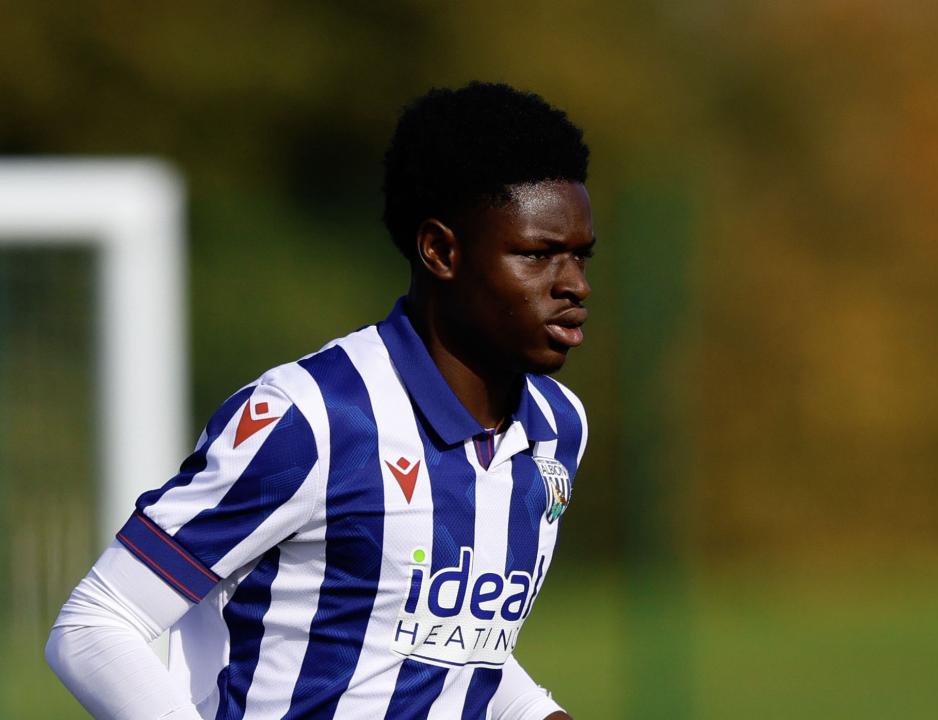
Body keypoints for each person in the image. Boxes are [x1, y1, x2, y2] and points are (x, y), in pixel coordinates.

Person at [46, 81, 594, 720]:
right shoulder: (314, 418)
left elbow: (447, 653)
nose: (575, 285)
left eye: (582, 256)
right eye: (538, 255)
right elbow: (96, 625)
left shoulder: (558, 426)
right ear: (441, 251)